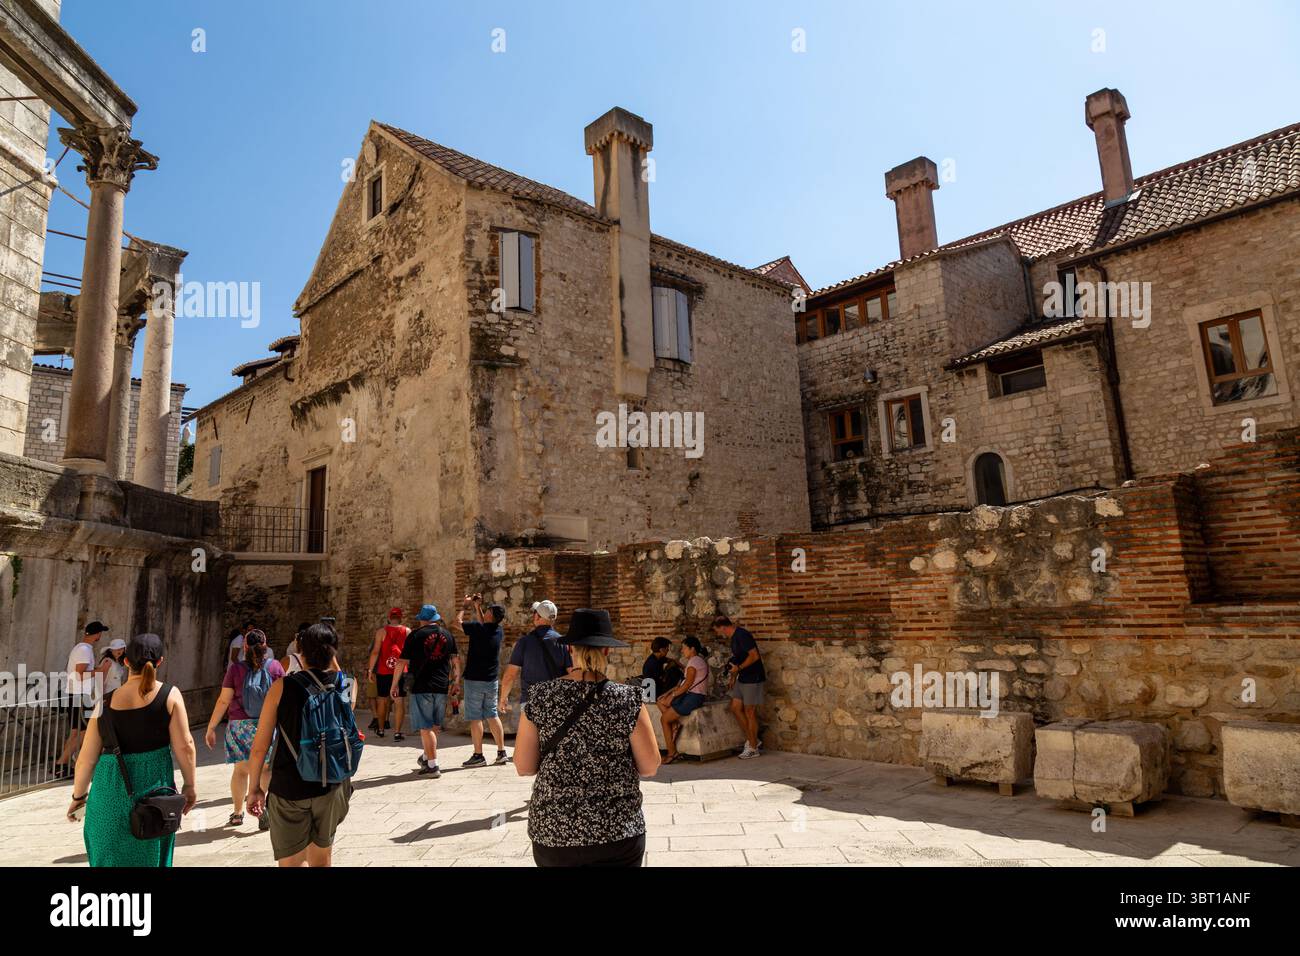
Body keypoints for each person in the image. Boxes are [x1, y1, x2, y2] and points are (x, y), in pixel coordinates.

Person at [514, 608, 660, 867]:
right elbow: (649, 766)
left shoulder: (540, 697)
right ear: (607, 650)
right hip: (617, 830)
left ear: (570, 648)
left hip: (554, 831)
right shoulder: (628, 699)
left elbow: (524, 766)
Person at [66, 633, 198, 867]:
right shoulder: (170, 695)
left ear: (126, 661)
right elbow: (184, 746)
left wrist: (78, 797)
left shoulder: (104, 703)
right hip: (154, 798)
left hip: (107, 795)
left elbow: (86, 759)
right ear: (159, 662)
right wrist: (190, 785)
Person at [247, 622, 356, 867]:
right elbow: (347, 720)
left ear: (300, 652)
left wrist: (254, 788)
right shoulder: (345, 684)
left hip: (289, 785)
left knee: (290, 863)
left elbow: (260, 747)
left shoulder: (282, 687)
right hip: (331, 782)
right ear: (333, 651)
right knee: (321, 860)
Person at [205, 628, 285, 827]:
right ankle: (263, 808)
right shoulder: (275, 667)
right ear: (266, 646)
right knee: (265, 769)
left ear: (244, 647)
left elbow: (224, 701)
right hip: (266, 724)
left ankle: (237, 813)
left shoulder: (235, 669)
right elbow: (284, 698)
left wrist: (211, 727)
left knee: (241, 770)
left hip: (239, 726)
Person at [392, 605, 459, 778]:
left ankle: (433, 765)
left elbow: (401, 662)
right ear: (435, 618)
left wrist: (394, 684)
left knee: (425, 727)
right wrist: (456, 681)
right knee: (434, 726)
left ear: (422, 619)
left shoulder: (415, 635)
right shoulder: (448, 635)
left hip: (422, 686)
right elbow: (455, 661)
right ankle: (426, 757)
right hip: (442, 686)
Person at [54, 620, 111, 779]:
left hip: (76, 694)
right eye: (100, 633)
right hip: (79, 695)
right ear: (97, 634)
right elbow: (79, 674)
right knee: (85, 731)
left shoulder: (81, 648)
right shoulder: (84, 650)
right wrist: (101, 670)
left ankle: (64, 766)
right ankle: (61, 763)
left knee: (75, 732)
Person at [455, 595, 508, 767]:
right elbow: (484, 623)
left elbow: (456, 623)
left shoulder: (478, 628)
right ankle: (501, 752)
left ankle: (478, 755)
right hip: (491, 680)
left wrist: (464, 606)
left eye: (487, 611)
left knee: (475, 717)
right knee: (492, 714)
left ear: (490, 615)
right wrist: (477, 607)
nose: (485, 612)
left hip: (475, 679)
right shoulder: (498, 631)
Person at [498, 599, 571, 716]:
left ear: (537, 616)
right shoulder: (563, 643)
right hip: (556, 702)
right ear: (553, 619)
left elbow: (510, 675)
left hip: (531, 702)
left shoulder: (524, 642)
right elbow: (572, 673)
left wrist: (503, 698)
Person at [713, 615, 765, 759]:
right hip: (742, 677)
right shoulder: (734, 638)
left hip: (753, 677)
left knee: (750, 712)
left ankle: (753, 748)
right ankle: (753, 739)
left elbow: (754, 656)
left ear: (723, 627)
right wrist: (733, 676)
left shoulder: (742, 635)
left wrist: (739, 669)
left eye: (717, 630)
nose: (718, 633)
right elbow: (738, 659)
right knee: (735, 708)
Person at [657, 637, 711, 764]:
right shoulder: (697, 660)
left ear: (692, 649)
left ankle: (672, 753)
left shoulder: (693, 663)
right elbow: (682, 684)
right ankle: (675, 724)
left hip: (693, 697)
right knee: (661, 702)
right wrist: (667, 694)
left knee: (664, 720)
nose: (682, 651)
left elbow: (687, 685)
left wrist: (673, 695)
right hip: (692, 695)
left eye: (684, 648)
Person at [366, 608, 409, 740]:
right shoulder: (407, 631)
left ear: (389, 618)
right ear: (400, 618)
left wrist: (370, 670)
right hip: (400, 670)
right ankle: (397, 733)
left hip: (383, 671)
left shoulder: (381, 632)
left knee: (382, 700)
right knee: (399, 700)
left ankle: (380, 730)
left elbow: (375, 652)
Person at [641, 637, 683, 701]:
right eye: (667, 648)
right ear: (661, 650)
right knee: (673, 672)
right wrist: (668, 668)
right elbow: (663, 679)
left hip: (658, 686)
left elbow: (672, 661)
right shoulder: (653, 663)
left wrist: (684, 667)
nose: (668, 650)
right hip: (652, 693)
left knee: (674, 669)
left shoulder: (658, 657)